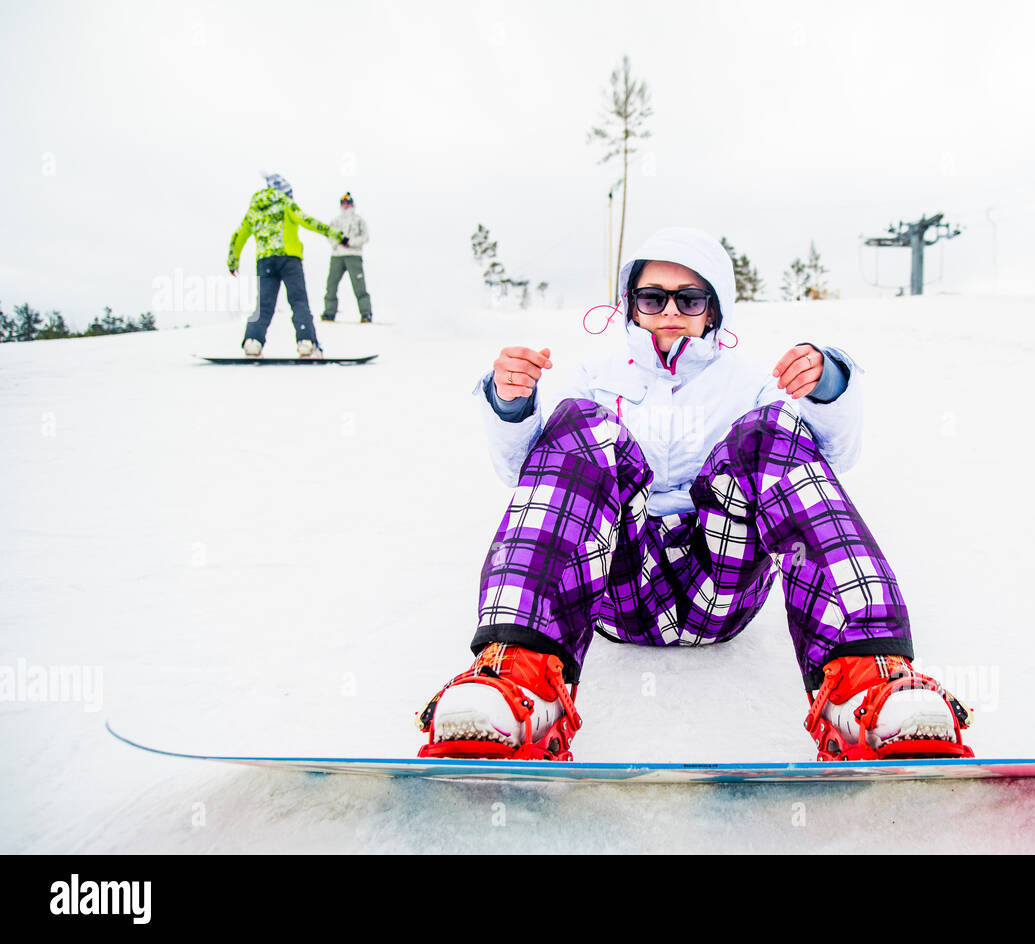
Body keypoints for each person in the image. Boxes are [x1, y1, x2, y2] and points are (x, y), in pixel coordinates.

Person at [416, 228, 973, 762]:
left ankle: (868, 683)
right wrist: (512, 405)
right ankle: (516, 678)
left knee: (772, 429)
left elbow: (831, 458)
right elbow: (532, 474)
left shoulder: (749, 380)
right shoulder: (594, 373)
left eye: (689, 300)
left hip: (721, 579)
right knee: (580, 422)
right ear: (630, 304)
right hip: (617, 583)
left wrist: (827, 386)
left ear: (714, 309)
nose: (669, 315)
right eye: (652, 298)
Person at [227, 173, 346, 357]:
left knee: (264, 304)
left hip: (265, 261)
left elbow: (238, 236)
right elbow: (309, 222)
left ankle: (253, 341)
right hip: (289, 260)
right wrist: (337, 235)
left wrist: (233, 261)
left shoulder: (255, 210)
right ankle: (306, 342)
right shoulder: (286, 205)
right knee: (298, 301)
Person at [322, 192, 373, 323]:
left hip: (354, 255)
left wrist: (350, 242)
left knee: (359, 286)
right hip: (337, 255)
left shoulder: (359, 220)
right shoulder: (335, 221)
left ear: (352, 204)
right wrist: (338, 242)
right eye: (343, 203)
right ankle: (329, 313)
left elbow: (365, 237)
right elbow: (329, 235)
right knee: (331, 285)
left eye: (348, 203)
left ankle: (366, 313)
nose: (345, 205)